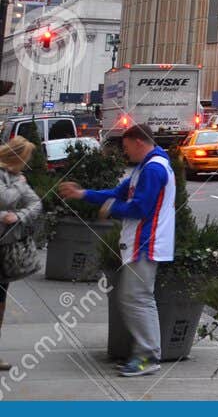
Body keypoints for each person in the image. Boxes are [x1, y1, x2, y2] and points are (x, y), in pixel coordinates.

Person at [59, 125, 176, 377]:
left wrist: (111, 208)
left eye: (125, 147)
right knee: (135, 298)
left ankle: (148, 356)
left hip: (146, 243)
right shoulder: (146, 167)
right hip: (143, 242)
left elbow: (140, 208)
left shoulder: (152, 169)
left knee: (137, 299)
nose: (125, 153)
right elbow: (118, 193)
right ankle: (146, 354)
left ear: (137, 142)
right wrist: (83, 194)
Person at [0, 137, 45, 374]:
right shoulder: (12, 178)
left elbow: (36, 204)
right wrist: (19, 184)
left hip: (5, 248)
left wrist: (18, 216)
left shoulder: (16, 178)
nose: (26, 165)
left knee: (0, 301)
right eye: (25, 159)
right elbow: (5, 199)